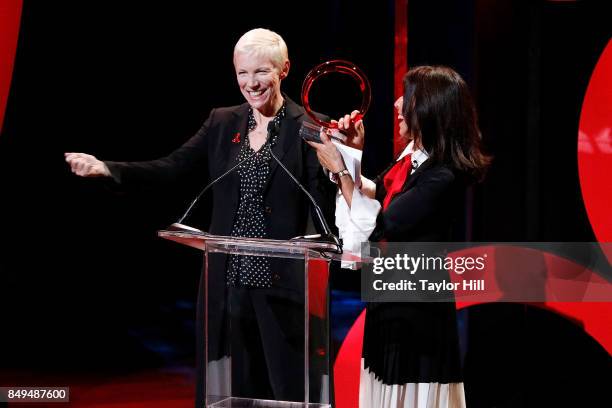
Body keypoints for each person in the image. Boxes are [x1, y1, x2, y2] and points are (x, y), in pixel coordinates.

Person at [65, 28, 335, 406]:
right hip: (226, 284)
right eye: (242, 73)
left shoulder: (309, 126)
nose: (251, 83)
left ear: (284, 69)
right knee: (229, 391)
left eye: (261, 72)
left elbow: (323, 206)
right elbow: (172, 167)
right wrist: (108, 168)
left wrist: (342, 167)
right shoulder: (223, 122)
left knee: (286, 391)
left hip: (285, 288)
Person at [307, 65, 491, 407]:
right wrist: (352, 155)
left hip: (417, 317)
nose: (396, 103)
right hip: (391, 304)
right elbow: (376, 195)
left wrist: (342, 170)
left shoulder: (443, 176)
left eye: (408, 97)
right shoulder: (413, 160)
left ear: (430, 110)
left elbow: (381, 225)